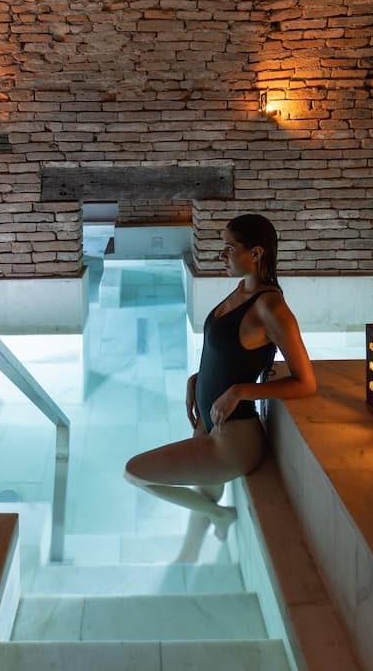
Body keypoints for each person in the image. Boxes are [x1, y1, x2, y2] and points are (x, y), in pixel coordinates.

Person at [124, 213, 316, 554]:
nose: (221, 255)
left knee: (136, 473)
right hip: (210, 422)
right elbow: (228, 353)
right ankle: (191, 552)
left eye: (230, 248)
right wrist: (198, 379)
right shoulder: (242, 290)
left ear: (256, 253)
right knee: (204, 491)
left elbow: (306, 383)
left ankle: (220, 516)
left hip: (234, 440)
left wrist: (241, 391)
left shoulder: (271, 308)